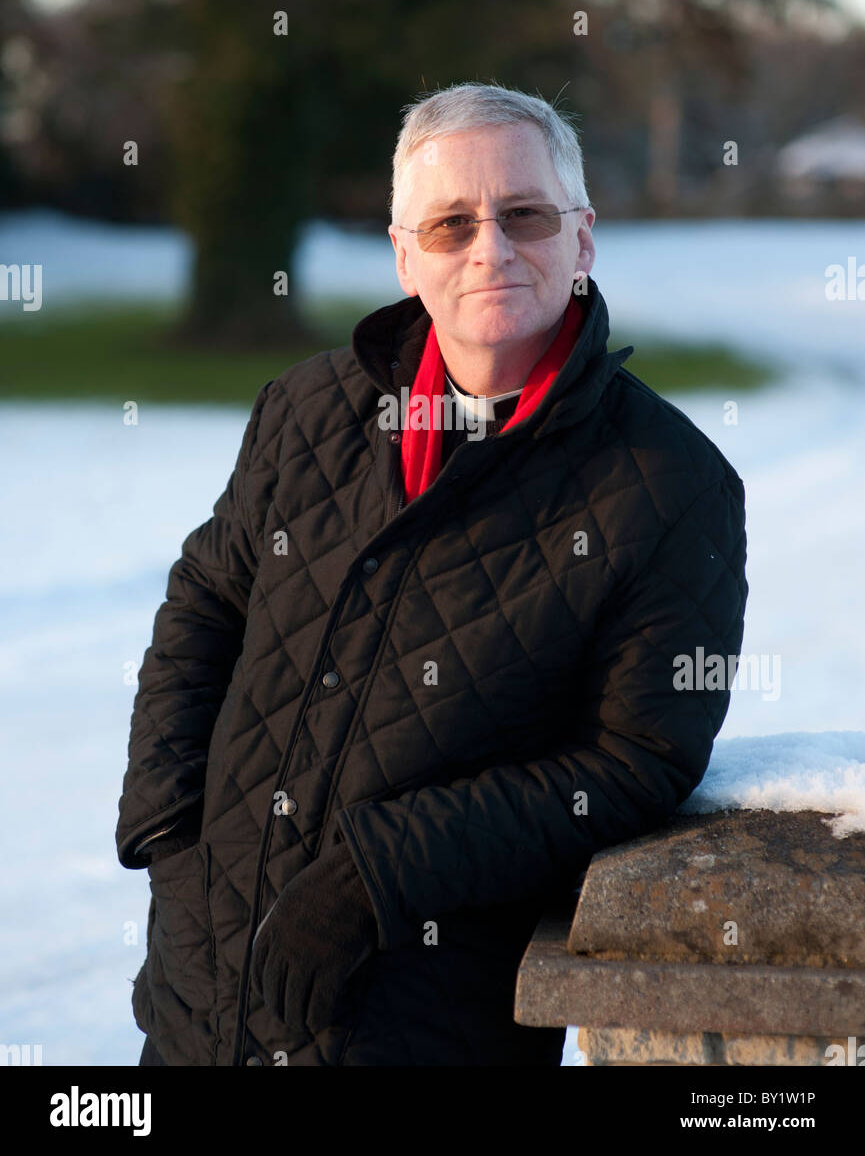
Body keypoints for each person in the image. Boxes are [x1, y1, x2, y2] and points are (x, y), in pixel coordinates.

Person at [117, 81, 748, 1067]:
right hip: (205, 998)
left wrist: (382, 870)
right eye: (450, 224)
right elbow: (208, 596)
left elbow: (636, 761)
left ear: (581, 240)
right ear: (405, 255)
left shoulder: (671, 486)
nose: (490, 249)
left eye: (525, 215)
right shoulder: (307, 408)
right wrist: (166, 830)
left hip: (425, 1020)